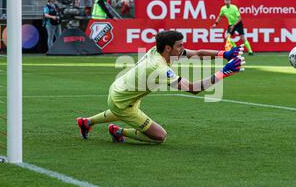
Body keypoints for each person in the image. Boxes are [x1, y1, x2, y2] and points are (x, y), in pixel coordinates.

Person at [76, 30, 245, 143]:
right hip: (122, 101)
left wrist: (224, 54)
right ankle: (118, 131)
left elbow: (196, 53)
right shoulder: (160, 68)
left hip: (120, 90)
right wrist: (224, 72)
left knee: (123, 110)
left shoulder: (157, 50)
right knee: (160, 137)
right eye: (180, 46)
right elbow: (193, 89)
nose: (183, 49)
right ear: (168, 48)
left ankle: (87, 122)